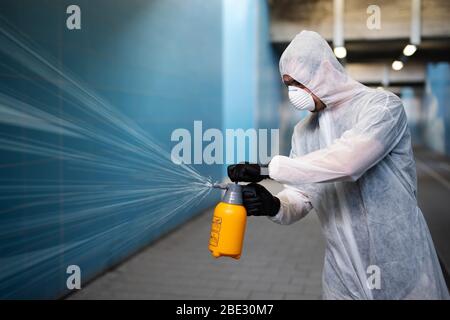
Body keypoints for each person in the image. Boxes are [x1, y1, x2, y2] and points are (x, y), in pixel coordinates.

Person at [227, 30, 449, 300]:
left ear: (323, 70)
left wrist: (266, 169)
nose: (294, 93)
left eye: (298, 83)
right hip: (343, 277)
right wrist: (274, 205)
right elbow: (302, 193)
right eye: (288, 85)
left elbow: (348, 162)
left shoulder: (382, 107)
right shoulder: (303, 132)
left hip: (403, 272)